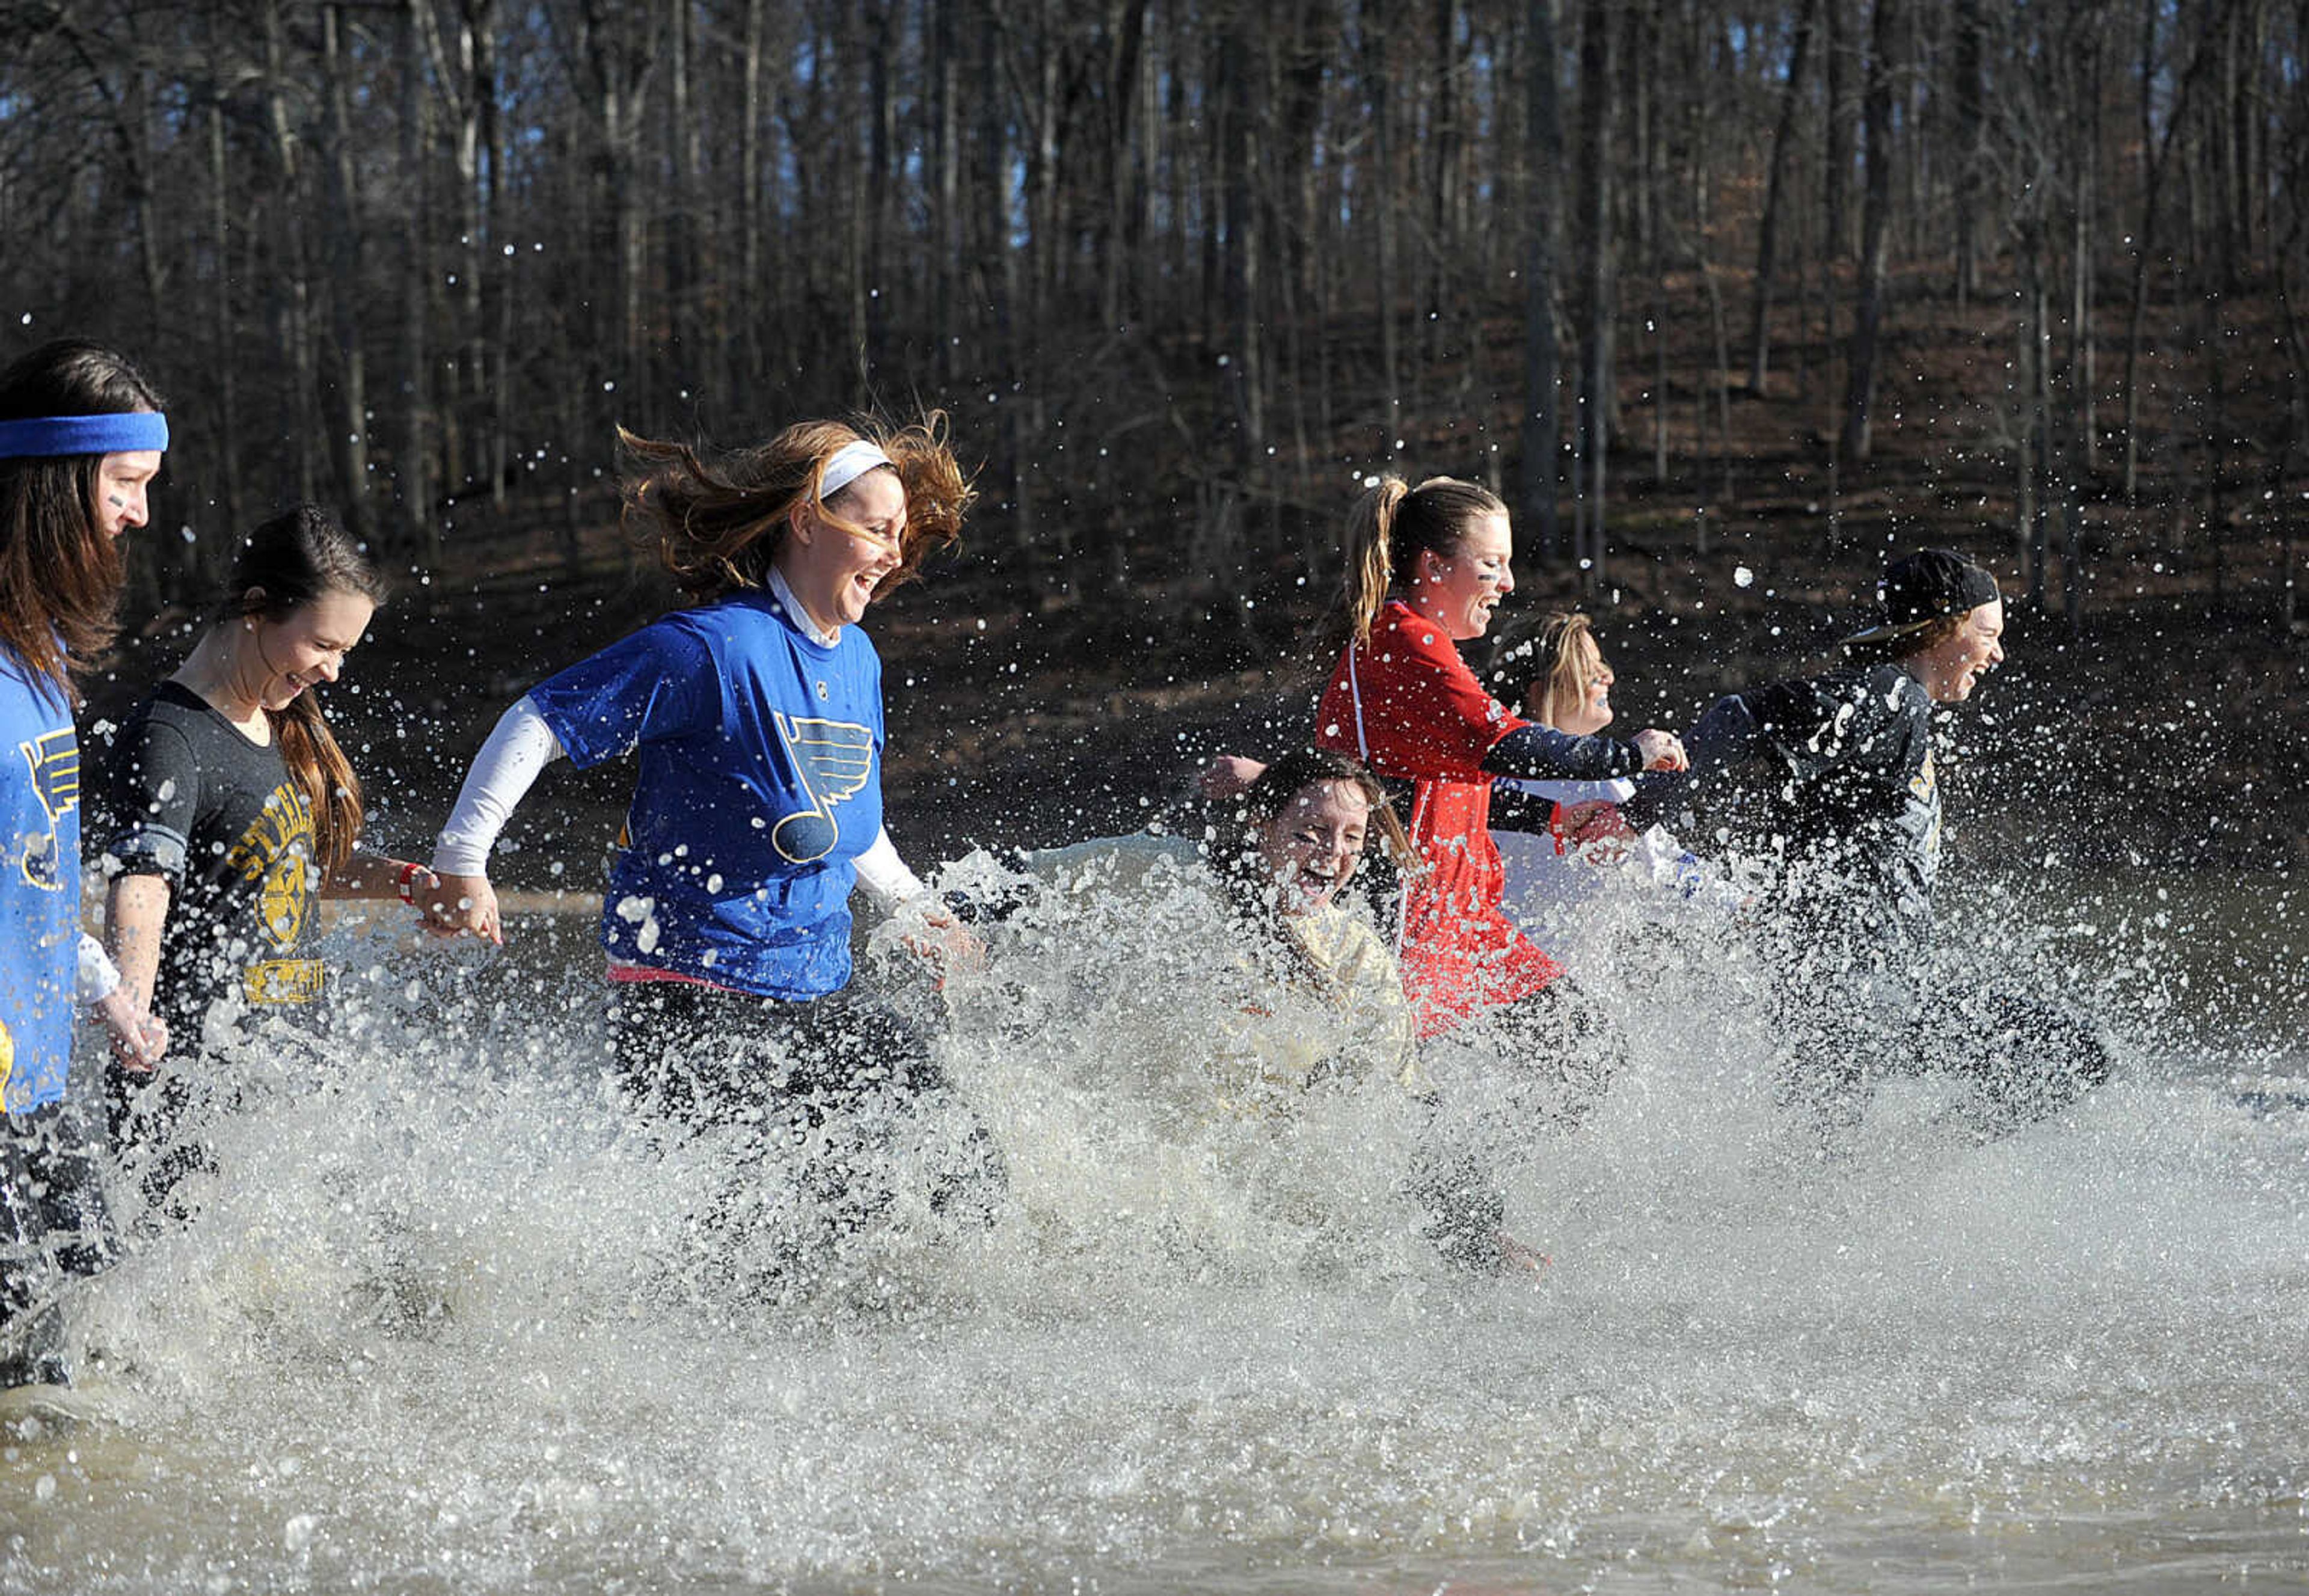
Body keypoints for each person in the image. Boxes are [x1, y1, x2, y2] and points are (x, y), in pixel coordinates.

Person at [423, 415, 995, 1250]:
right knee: (762, 1242)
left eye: (901, 536)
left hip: (814, 989)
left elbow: (844, 817)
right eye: (876, 530)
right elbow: (540, 719)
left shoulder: (860, 659)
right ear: (806, 520)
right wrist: (463, 860)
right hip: (688, 998)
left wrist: (915, 906)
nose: (892, 554)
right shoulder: (711, 648)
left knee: (962, 1173)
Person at [1624, 547, 2110, 1134]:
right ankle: (1906, 1176)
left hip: (1877, 995)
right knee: (2068, 1055)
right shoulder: (1889, 695)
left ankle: (1902, 1179)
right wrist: (1641, 813)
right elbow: (1737, 715)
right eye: (1988, 633)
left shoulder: (1902, 707)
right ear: (1945, 626)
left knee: (2065, 1057)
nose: (1998, 652)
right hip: (1845, 999)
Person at [1019, 748, 1538, 1271]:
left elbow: (1402, 1107)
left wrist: (1477, 1235)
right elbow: (1023, 883)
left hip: (1247, 1203)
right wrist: (957, 926)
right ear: (1263, 826)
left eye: (1352, 839)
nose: (1333, 854)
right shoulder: (1174, 875)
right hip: (1137, 1172)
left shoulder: (1359, 958)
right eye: (1310, 832)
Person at [97, 505, 438, 1210]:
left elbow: (292, 867)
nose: (335, 671)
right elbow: (144, 883)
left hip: (285, 1088)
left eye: (345, 650)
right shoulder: (171, 736)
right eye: (322, 644)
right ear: (256, 609)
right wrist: (129, 1009)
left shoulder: (277, 722)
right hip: (194, 1093)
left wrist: (411, 883)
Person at [0, 339, 171, 1390]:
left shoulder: (38, 652)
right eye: (125, 485)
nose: (141, 514)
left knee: (84, 1345)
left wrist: (104, 987)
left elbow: (32, 872)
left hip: (34, 1085)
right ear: (54, 483)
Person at [1489, 612, 1732, 960]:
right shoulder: (1594, 786)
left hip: (1484, 965)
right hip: (1558, 980)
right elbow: (1662, 871)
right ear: (1542, 691)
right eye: (1589, 668)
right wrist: (1738, 906)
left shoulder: (1484, 772)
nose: (1608, 676)